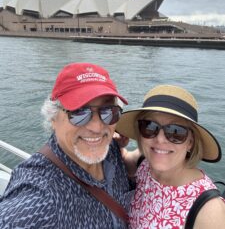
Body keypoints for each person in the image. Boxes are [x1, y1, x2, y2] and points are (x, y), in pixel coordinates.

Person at [0, 62, 135, 229]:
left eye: (108, 111)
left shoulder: (112, 150)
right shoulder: (43, 197)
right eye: (79, 112)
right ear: (53, 118)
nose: (97, 127)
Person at [116, 84, 225, 228]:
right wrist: (112, 143)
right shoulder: (144, 163)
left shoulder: (209, 210)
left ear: (190, 142)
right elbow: (124, 160)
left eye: (175, 132)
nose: (160, 139)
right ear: (140, 133)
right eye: (149, 126)